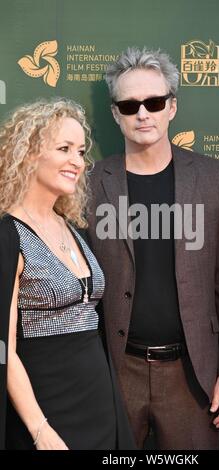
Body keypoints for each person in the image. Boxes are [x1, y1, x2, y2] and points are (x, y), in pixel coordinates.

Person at [87, 47, 219, 449]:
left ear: (171, 107)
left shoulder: (213, 178)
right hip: (116, 373)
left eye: (154, 102)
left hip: (193, 374)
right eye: (130, 104)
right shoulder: (89, 184)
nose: (143, 113)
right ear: (115, 114)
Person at [0, 97, 135, 450]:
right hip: (46, 409)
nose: (77, 161)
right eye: (64, 149)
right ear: (29, 154)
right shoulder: (7, 234)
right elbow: (4, 350)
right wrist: (40, 430)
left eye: (80, 151)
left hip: (100, 404)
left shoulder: (73, 227)